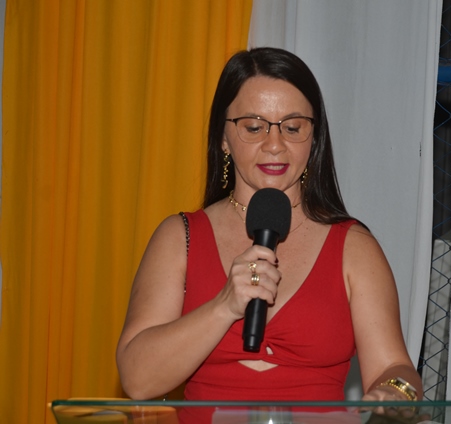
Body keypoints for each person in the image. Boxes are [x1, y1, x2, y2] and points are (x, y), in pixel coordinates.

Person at [116, 47, 422, 409]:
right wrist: (224, 306)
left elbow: (393, 368)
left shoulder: (353, 245)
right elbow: (137, 379)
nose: (275, 145)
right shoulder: (179, 236)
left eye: (293, 128)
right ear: (223, 137)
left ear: (314, 138)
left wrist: (395, 392)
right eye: (253, 127)